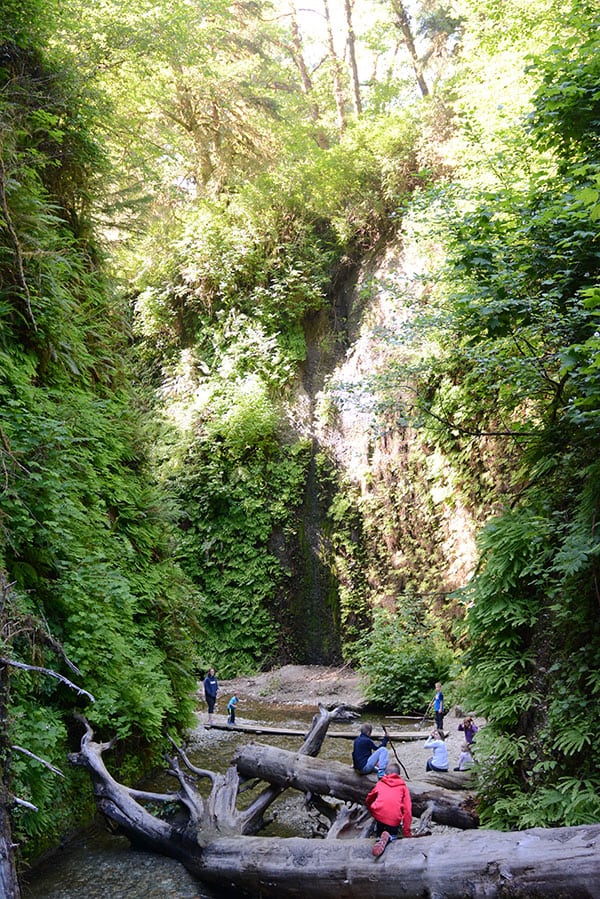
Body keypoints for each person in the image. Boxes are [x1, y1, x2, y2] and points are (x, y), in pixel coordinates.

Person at [365, 762, 412, 857]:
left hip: (379, 817)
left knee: (379, 824)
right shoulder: (403, 787)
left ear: (385, 774)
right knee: (394, 832)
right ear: (399, 775)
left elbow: (369, 798)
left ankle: (379, 837)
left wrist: (371, 809)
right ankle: (390, 837)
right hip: (393, 820)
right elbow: (407, 810)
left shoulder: (380, 783)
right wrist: (407, 832)